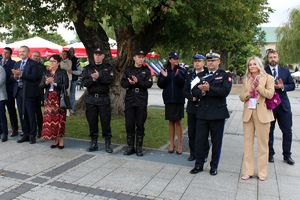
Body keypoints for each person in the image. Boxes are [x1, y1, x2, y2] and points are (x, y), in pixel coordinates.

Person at [190, 51, 232, 176]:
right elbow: (193, 90)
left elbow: (224, 91)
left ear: (219, 62)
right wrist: (202, 92)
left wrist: (209, 89)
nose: (210, 63)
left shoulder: (225, 75)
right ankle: (198, 164)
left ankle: (214, 166)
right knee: (200, 140)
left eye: (213, 60)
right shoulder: (202, 75)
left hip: (217, 113)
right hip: (202, 112)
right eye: (208, 61)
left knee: (216, 142)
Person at [240, 56, 275, 181]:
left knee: (263, 145)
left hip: (263, 114)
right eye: (250, 64)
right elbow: (241, 96)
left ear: (259, 65)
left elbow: (270, 94)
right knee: (247, 144)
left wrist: (258, 87)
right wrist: (248, 94)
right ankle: (248, 171)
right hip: (248, 113)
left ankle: (262, 172)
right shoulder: (246, 79)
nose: (252, 66)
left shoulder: (269, 78)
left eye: (254, 64)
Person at [265, 49, 296, 165]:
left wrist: (283, 87)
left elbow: (292, 86)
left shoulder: (285, 71)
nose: (273, 59)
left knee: (287, 131)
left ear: (278, 58)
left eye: (275, 57)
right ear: (268, 59)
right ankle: (270, 154)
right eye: (270, 57)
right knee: (269, 131)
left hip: (283, 106)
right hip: (269, 106)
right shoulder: (263, 71)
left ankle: (287, 155)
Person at [121, 50, 153, 156]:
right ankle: (130, 147)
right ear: (134, 58)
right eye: (139, 57)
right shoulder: (128, 70)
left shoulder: (146, 70)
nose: (141, 59)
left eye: (142, 57)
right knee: (129, 124)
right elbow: (123, 83)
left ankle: (139, 147)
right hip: (130, 100)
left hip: (141, 100)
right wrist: (129, 83)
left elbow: (149, 84)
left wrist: (138, 81)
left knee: (140, 124)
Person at [81, 48, 114, 153]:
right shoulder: (88, 68)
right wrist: (93, 79)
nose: (98, 56)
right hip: (91, 99)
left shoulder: (108, 68)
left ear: (103, 56)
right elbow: (84, 83)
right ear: (93, 55)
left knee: (106, 122)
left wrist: (99, 77)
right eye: (96, 54)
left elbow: (110, 80)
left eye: (100, 55)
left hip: (103, 98)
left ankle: (108, 143)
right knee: (92, 122)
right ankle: (94, 143)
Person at [157, 51, 187, 154]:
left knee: (178, 121)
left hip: (179, 100)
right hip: (169, 99)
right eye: (174, 59)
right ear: (170, 60)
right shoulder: (164, 70)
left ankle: (179, 145)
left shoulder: (182, 70)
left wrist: (178, 76)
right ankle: (171, 143)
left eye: (177, 58)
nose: (176, 60)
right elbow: (160, 85)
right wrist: (164, 77)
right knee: (170, 121)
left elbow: (184, 84)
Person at [12, 46, 42, 144]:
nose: (21, 53)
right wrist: (15, 76)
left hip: (29, 93)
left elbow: (35, 77)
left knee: (30, 114)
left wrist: (21, 74)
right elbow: (12, 77)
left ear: (28, 52)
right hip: (19, 92)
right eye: (20, 51)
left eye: (23, 51)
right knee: (21, 114)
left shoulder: (33, 63)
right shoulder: (17, 63)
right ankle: (25, 134)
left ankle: (32, 135)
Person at [184, 53, 210, 161]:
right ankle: (193, 153)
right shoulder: (190, 75)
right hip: (191, 107)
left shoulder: (208, 74)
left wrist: (198, 96)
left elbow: (207, 91)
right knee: (191, 132)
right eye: (195, 61)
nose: (197, 63)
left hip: (203, 107)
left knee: (202, 132)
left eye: (199, 61)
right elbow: (184, 91)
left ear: (204, 63)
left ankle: (203, 153)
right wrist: (191, 97)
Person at [40, 54, 69, 149]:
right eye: (50, 61)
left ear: (58, 63)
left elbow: (66, 85)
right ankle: (55, 139)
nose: (51, 63)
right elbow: (40, 86)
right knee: (51, 121)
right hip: (49, 98)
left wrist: (54, 83)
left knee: (60, 120)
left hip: (58, 98)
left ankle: (61, 140)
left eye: (54, 61)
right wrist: (47, 83)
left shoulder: (62, 72)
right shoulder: (46, 72)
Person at [0, 47, 19, 137]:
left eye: (6, 53)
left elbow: (14, 77)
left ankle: (14, 129)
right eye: (3, 52)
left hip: (9, 90)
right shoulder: (0, 62)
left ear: (10, 54)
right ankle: (1, 129)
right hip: (1, 91)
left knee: (11, 110)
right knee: (1, 111)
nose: (4, 54)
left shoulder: (13, 63)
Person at [31, 51, 46, 138]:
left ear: (39, 57)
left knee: (38, 112)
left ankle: (40, 130)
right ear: (31, 56)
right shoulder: (27, 65)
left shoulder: (42, 67)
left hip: (38, 92)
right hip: (28, 92)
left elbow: (43, 79)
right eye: (34, 56)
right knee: (30, 112)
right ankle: (31, 130)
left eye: (37, 56)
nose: (36, 57)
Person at [68, 47, 82, 114]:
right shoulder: (64, 59)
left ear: (74, 52)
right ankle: (65, 109)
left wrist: (73, 72)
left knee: (72, 95)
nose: (71, 52)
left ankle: (71, 109)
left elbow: (80, 71)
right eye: (69, 51)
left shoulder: (76, 60)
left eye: (72, 51)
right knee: (64, 94)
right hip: (65, 80)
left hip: (73, 79)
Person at [0, 65, 8, 142]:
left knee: (2, 116)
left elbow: (1, 82)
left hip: (1, 97)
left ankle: (5, 134)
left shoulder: (1, 69)